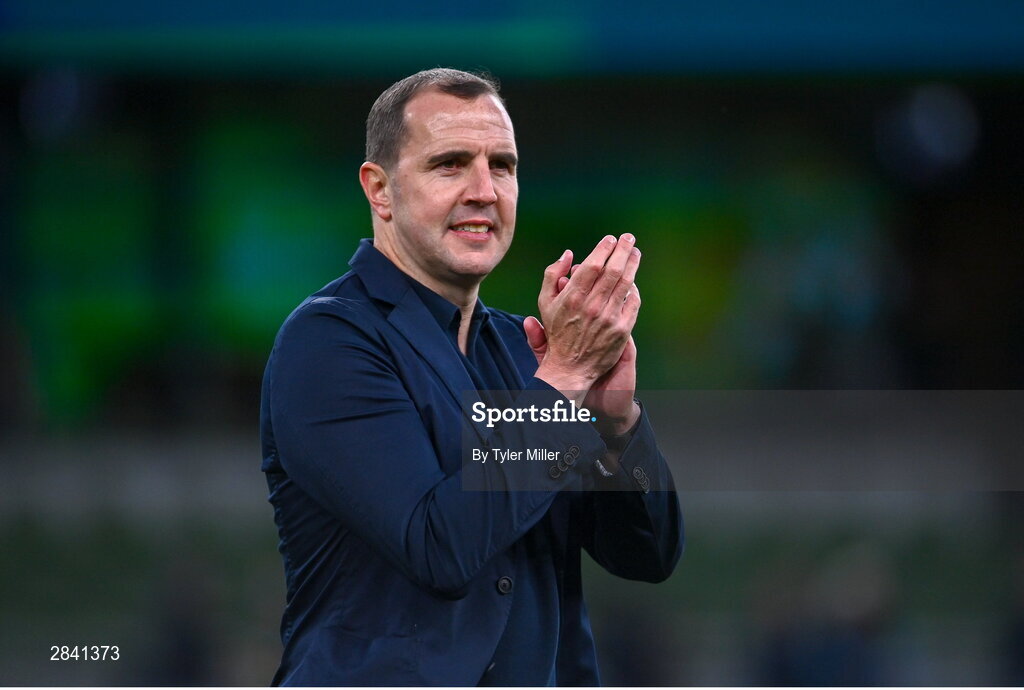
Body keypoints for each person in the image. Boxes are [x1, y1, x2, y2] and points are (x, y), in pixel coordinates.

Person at [259, 68, 683, 686]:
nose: (485, 190)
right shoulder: (329, 342)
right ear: (380, 190)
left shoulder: (524, 353)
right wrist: (563, 380)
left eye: (503, 166)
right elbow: (440, 546)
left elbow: (647, 555)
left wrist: (618, 423)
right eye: (451, 164)